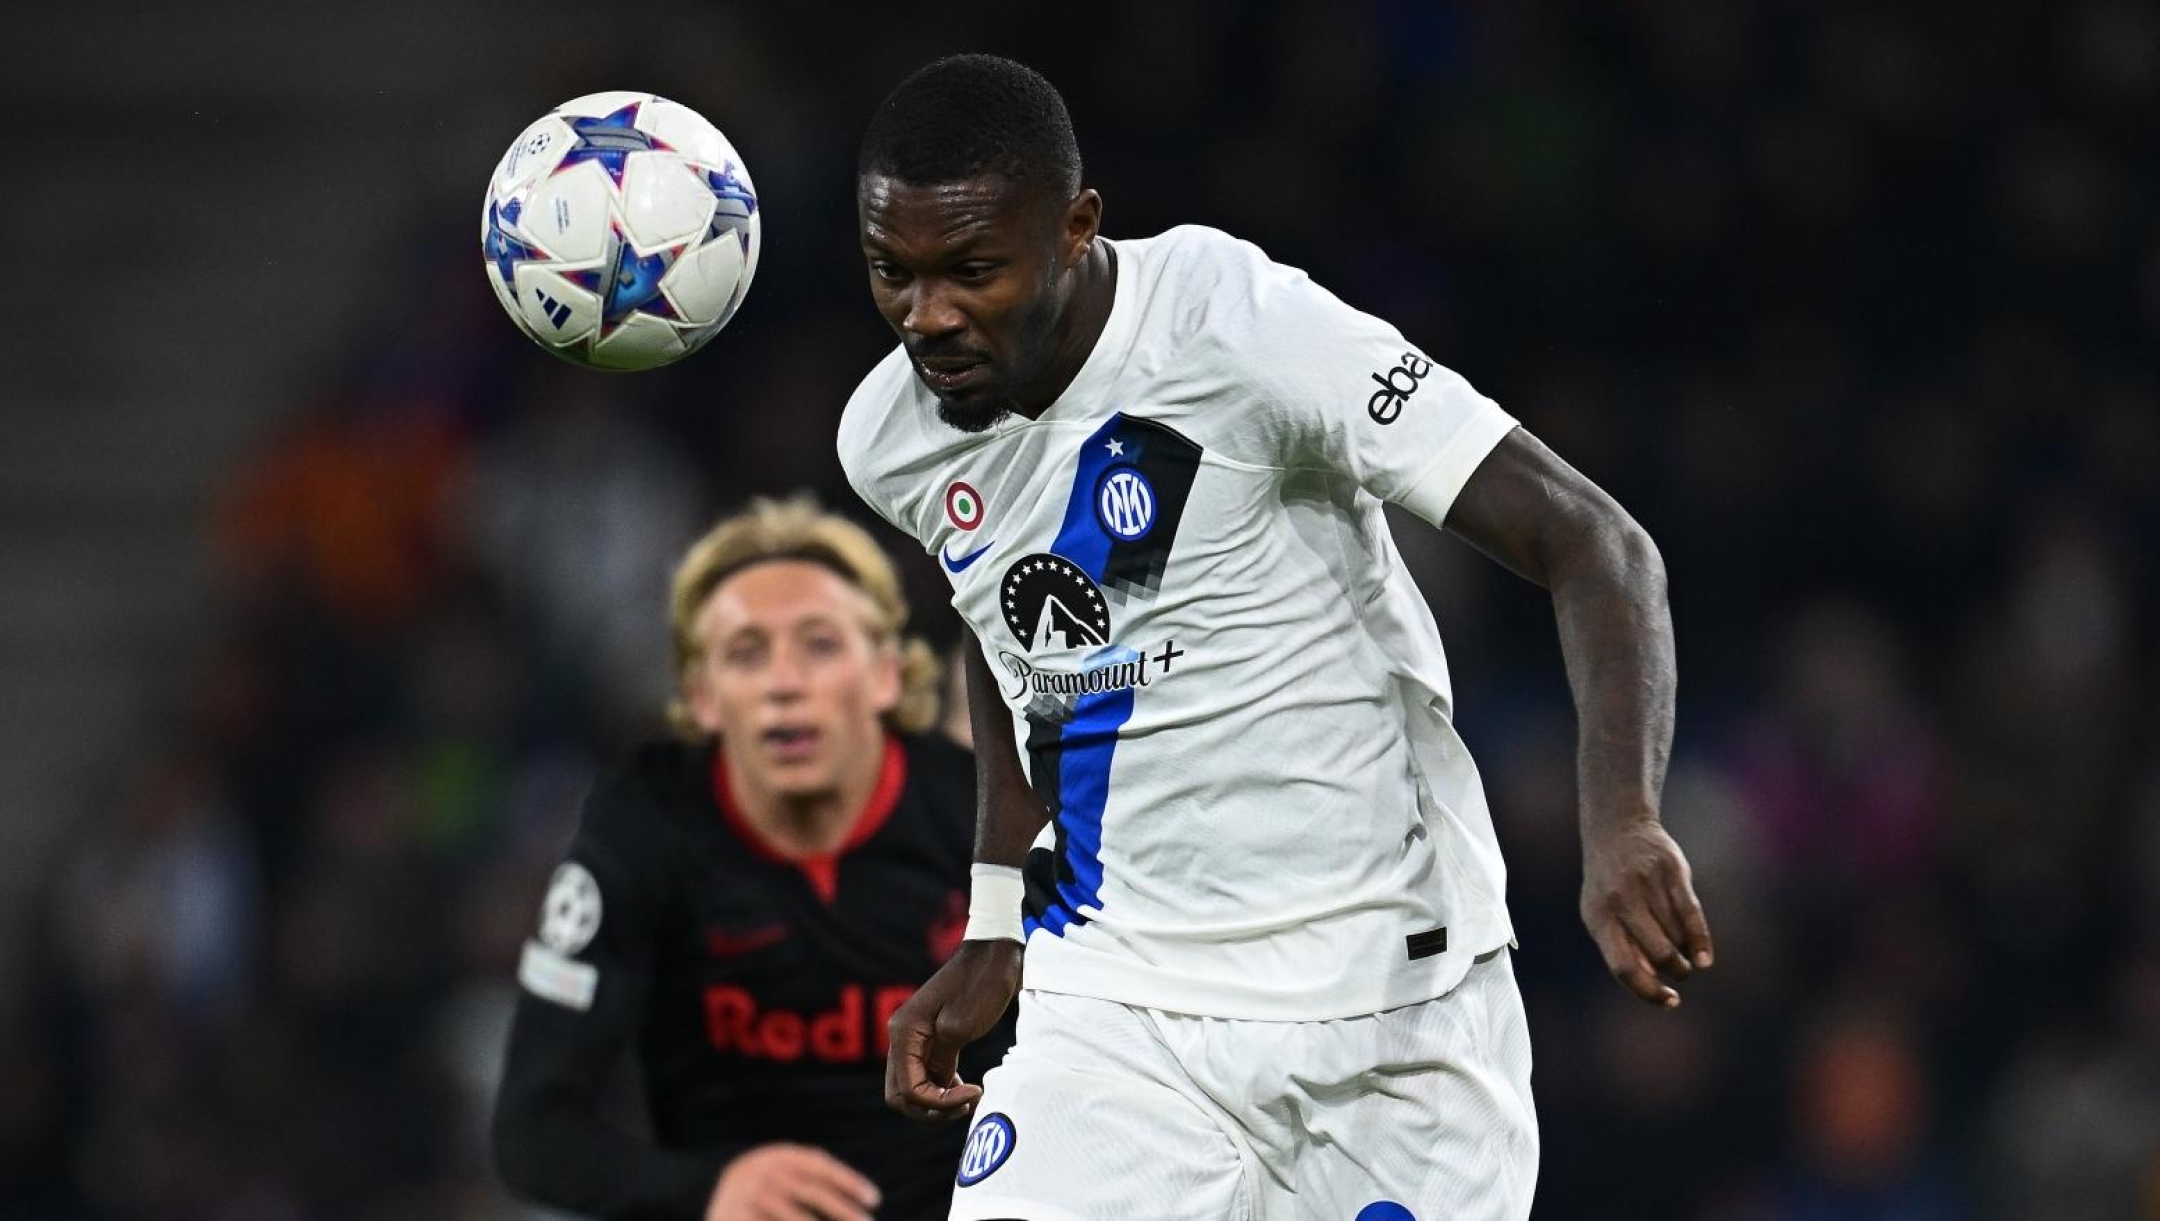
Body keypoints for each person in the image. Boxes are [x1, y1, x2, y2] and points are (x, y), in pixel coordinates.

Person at [836, 55, 1714, 1221]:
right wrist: (996, 922)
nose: (925, 316)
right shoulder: (892, 438)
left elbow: (1596, 543)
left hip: (1391, 1005)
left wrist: (1623, 819)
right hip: (1117, 1001)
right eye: (892, 272)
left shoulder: (1235, 325)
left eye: (971, 273)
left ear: (1076, 230)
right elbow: (1007, 637)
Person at [492, 496, 1013, 1221]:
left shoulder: (979, 819)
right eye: (746, 652)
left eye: (820, 645)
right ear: (703, 696)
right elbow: (532, 1130)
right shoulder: (644, 822)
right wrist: (708, 1188)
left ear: (886, 673)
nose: (783, 682)